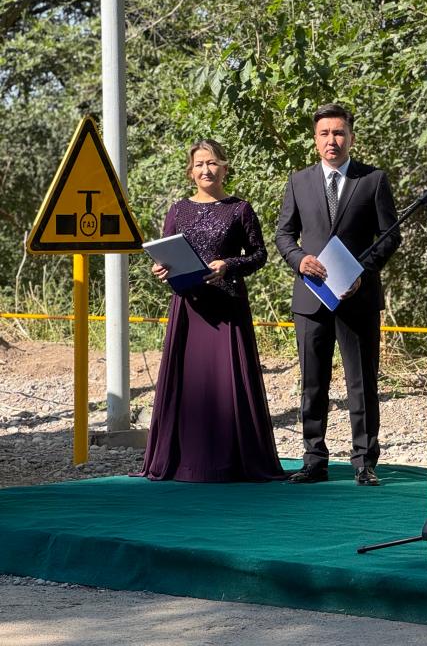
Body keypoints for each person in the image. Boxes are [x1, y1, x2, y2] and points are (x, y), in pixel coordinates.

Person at [138, 139, 284, 482]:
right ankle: (182, 462)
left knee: (227, 382)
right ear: (190, 172)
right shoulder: (177, 210)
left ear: (224, 167)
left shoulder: (240, 209)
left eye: (212, 163)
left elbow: (259, 255)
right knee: (189, 382)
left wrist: (228, 265)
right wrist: (160, 269)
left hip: (228, 308)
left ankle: (231, 462)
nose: (206, 170)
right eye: (199, 164)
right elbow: (164, 254)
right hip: (189, 309)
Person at [276, 103, 400, 486]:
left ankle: (364, 461)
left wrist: (363, 270)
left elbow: (390, 234)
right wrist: (299, 260)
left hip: (357, 297)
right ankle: (314, 459)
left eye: (339, 133)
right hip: (311, 298)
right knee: (313, 383)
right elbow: (283, 234)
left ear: (351, 137)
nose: (332, 140)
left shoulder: (373, 180)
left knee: (361, 382)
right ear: (315, 139)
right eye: (325, 133)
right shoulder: (298, 181)